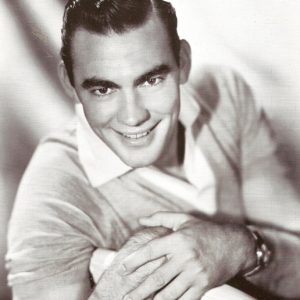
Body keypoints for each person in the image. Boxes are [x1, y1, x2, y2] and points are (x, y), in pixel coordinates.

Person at [6, 0, 300, 299]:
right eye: (103, 90)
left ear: (183, 62)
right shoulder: (54, 195)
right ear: (70, 83)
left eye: (151, 80)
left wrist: (240, 248)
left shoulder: (225, 97)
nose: (133, 117)